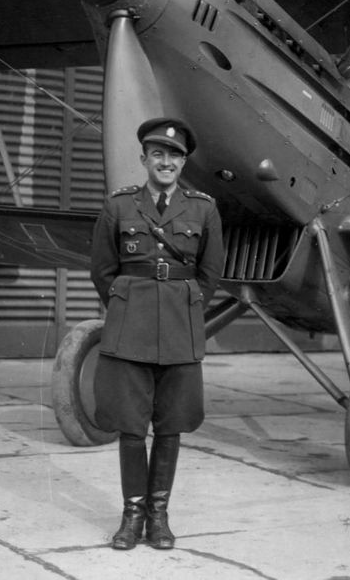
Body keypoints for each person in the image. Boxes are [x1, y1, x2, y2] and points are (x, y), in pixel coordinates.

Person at [90, 117, 224, 551]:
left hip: (180, 328)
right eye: (159, 154)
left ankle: (159, 516)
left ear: (184, 162)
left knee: (171, 425)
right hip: (131, 325)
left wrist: (185, 305)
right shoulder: (119, 206)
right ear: (144, 158)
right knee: (131, 426)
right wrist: (127, 304)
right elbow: (102, 271)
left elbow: (210, 274)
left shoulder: (204, 208)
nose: (167, 162)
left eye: (175, 155)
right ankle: (132, 515)